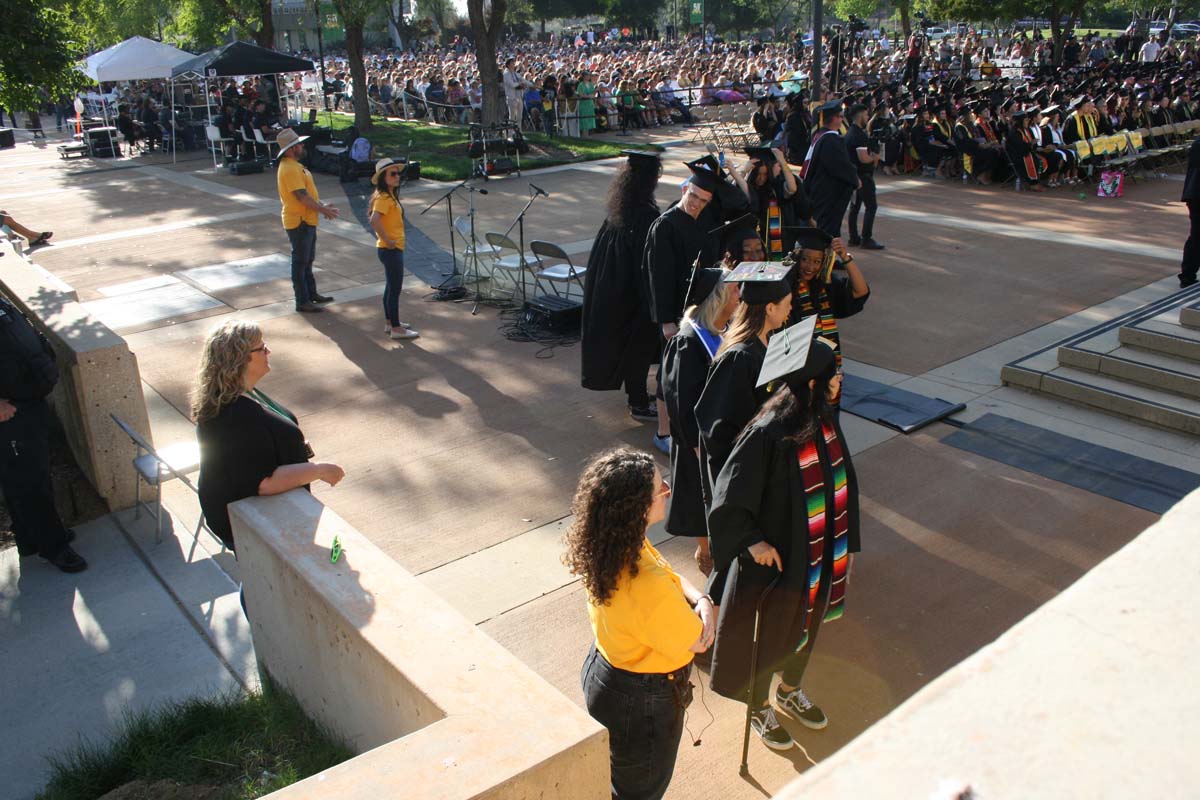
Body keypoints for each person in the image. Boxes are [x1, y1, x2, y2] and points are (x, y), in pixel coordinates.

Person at [706, 333, 860, 751]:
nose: (839, 379)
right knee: (772, 636)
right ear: (811, 383)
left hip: (820, 551)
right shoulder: (768, 430)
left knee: (809, 626)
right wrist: (752, 541)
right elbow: (729, 492)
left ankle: (789, 690)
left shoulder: (822, 418)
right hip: (781, 559)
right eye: (833, 373)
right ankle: (758, 705)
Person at [565, 447, 715, 800]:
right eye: (658, 488)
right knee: (639, 792)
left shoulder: (613, 545)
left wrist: (700, 598)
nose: (667, 489)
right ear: (637, 507)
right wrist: (705, 607)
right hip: (642, 701)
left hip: (606, 673)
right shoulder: (645, 584)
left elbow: (671, 574)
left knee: (615, 777)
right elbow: (699, 640)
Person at [192, 320, 345, 552]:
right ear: (240, 359)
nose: (268, 351)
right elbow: (263, 482)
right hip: (256, 523)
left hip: (268, 513)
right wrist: (321, 470)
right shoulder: (235, 415)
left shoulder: (244, 395)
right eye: (261, 348)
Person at [695, 263, 793, 509]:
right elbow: (719, 427)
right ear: (770, 308)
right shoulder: (740, 357)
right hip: (745, 479)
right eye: (788, 303)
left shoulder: (767, 344)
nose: (791, 310)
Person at [0, 294, 87, 573]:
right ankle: (55, 547)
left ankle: (29, 539)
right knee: (29, 481)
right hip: (9, 411)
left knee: (24, 475)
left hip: (26, 401)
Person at [661, 265, 738, 575]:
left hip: (718, 438)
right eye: (733, 289)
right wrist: (696, 447)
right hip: (696, 443)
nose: (739, 294)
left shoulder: (723, 329)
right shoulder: (688, 341)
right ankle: (706, 559)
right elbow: (679, 400)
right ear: (717, 298)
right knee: (700, 505)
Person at [642, 163, 721, 453]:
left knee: (690, 372)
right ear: (685, 189)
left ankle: (686, 426)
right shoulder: (666, 225)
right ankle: (663, 433)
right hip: (674, 312)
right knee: (668, 373)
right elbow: (657, 276)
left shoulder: (704, 221)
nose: (697, 204)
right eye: (694, 197)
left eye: (704, 200)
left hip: (699, 310)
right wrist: (665, 321)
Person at [582, 150, 663, 423]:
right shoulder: (646, 214)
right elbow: (649, 259)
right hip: (636, 295)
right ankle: (639, 402)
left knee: (634, 349)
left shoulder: (619, 207)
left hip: (615, 290)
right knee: (639, 348)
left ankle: (637, 396)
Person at [786, 227, 870, 399]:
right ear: (796, 258)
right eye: (805, 259)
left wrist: (845, 258)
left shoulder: (825, 287)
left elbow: (860, 291)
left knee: (828, 412)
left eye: (817, 261)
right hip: (797, 367)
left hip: (827, 365)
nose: (810, 267)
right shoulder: (785, 288)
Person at [275, 128, 340, 313]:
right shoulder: (289, 168)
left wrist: (321, 206)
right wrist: (323, 209)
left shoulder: (294, 166)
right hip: (299, 221)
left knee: (307, 260)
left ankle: (311, 294)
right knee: (301, 262)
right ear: (290, 149)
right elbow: (301, 196)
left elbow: (308, 194)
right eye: (298, 145)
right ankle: (302, 300)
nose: (302, 146)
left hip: (306, 220)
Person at [368, 158, 419, 341]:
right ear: (383, 177)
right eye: (393, 174)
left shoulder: (388, 196)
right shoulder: (383, 198)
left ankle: (390, 322)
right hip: (390, 249)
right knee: (394, 288)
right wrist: (387, 240)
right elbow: (374, 220)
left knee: (390, 287)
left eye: (398, 173)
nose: (397, 177)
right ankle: (396, 329)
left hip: (391, 248)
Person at [802, 99, 860, 239]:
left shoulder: (820, 136)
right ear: (834, 118)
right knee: (826, 232)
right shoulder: (830, 140)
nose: (842, 119)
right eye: (840, 116)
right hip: (828, 195)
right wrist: (855, 179)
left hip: (820, 191)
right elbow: (840, 166)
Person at [743, 146, 810, 259]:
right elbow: (734, 193)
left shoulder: (776, 187)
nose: (761, 178)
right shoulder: (748, 186)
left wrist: (783, 162)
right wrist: (743, 171)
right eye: (758, 174)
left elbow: (792, 188)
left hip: (777, 238)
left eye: (765, 174)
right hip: (755, 237)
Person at [843, 104, 885, 250]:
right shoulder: (858, 135)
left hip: (855, 175)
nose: (868, 118)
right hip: (863, 176)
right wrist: (875, 157)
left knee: (855, 207)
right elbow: (863, 158)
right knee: (871, 206)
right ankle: (866, 238)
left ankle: (854, 237)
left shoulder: (851, 133)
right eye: (866, 115)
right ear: (860, 116)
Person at [1180, 137, 1200, 289]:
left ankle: (1188, 274)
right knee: (1197, 236)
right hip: (1197, 195)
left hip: (1195, 195)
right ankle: (1187, 275)